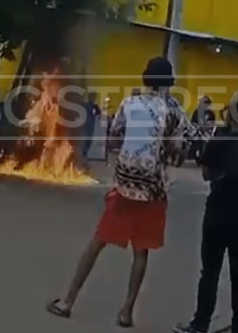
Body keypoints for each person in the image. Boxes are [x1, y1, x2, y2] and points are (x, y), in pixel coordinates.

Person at [46, 57, 192, 328]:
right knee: (141, 252)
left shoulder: (130, 103)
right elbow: (177, 151)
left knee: (98, 240)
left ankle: (67, 302)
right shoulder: (174, 112)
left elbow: (113, 140)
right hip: (153, 190)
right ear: (168, 84)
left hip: (124, 185)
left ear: (146, 80)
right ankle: (126, 312)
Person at [174, 97, 238, 333]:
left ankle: (200, 324)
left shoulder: (220, 139)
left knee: (209, 272)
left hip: (218, 211)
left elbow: (205, 174)